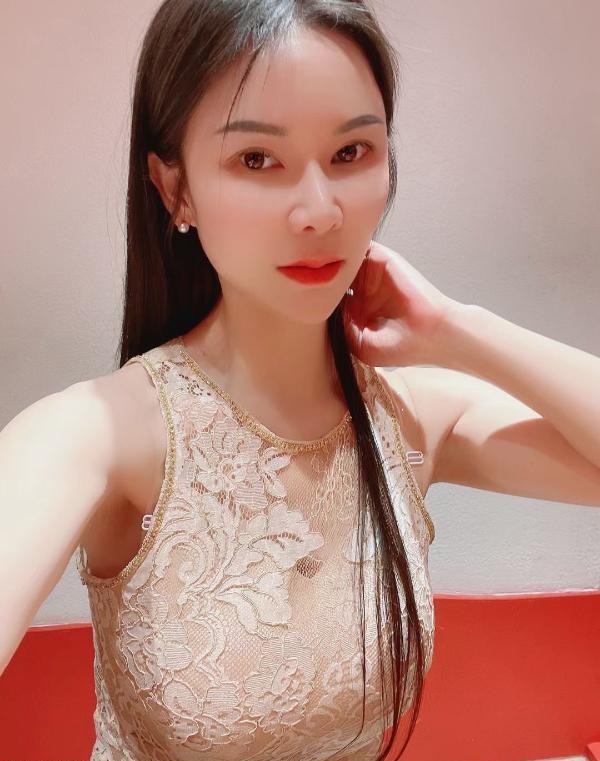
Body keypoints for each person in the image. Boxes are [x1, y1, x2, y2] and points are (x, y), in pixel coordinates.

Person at [2, 1, 599, 760]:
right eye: (257, 159)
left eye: (352, 152)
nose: (320, 211)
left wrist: (457, 327)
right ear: (174, 188)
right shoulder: (102, 434)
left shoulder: (409, 416)